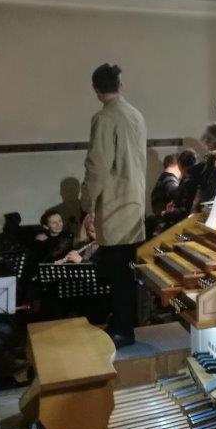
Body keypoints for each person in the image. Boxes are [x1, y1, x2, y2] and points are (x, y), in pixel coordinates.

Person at [80, 63, 147, 348]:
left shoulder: (104, 117)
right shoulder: (135, 114)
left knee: (117, 271)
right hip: (134, 201)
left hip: (114, 202)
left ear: (95, 90)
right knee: (126, 270)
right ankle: (124, 322)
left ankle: (122, 328)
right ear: (121, 85)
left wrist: (86, 202)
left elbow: (97, 165)